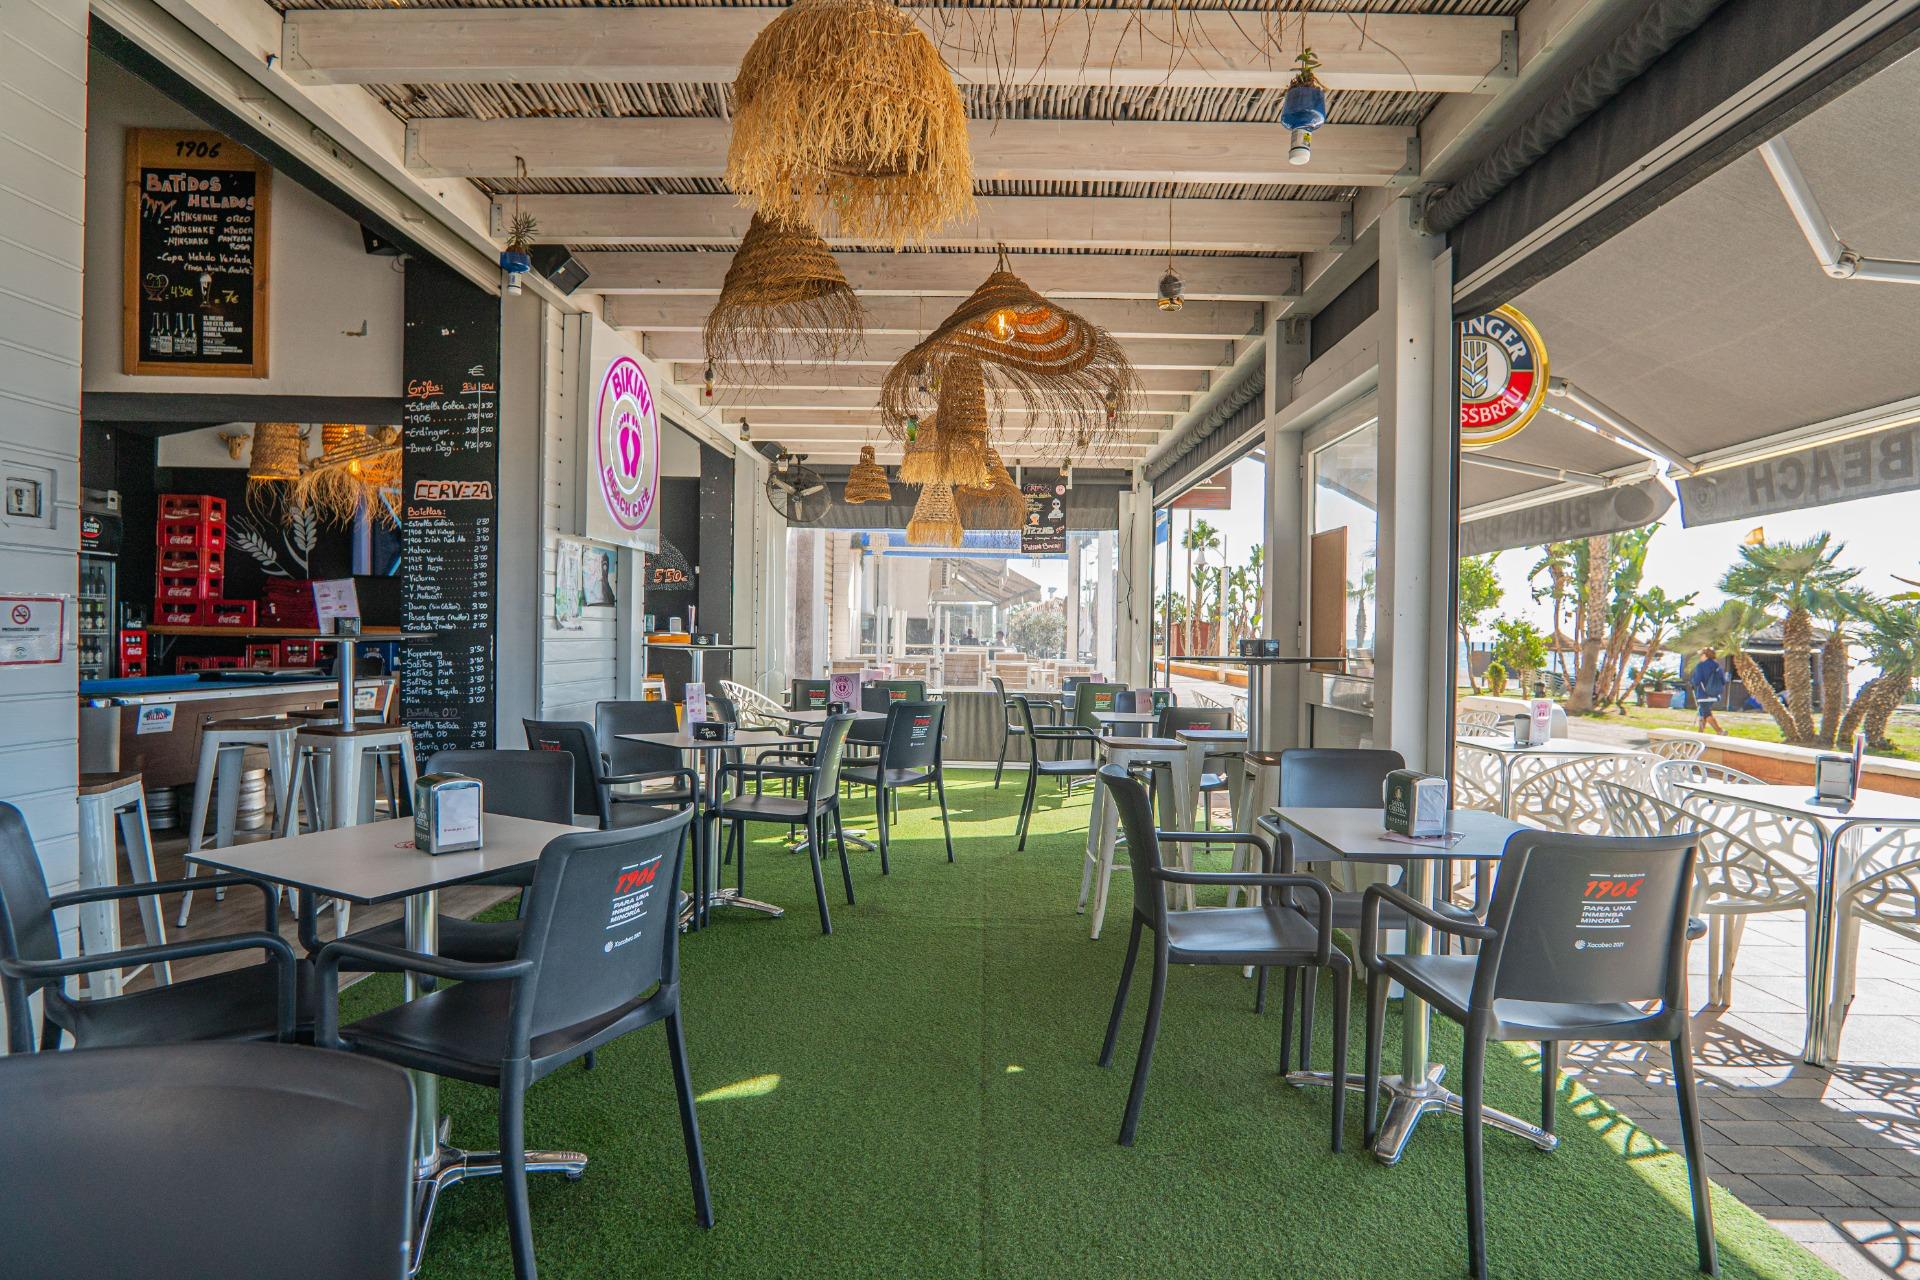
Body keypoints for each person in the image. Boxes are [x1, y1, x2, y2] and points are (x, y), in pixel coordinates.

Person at [1690, 647, 1728, 735]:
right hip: (1714, 694)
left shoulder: (1701, 666)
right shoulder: (1717, 665)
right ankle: (1700, 733)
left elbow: (1697, 681)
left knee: (1706, 713)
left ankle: (1719, 731)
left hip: (1703, 695)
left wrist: (1692, 682)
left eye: (1700, 655)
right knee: (1703, 712)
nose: (1699, 657)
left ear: (1705, 655)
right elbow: (1723, 680)